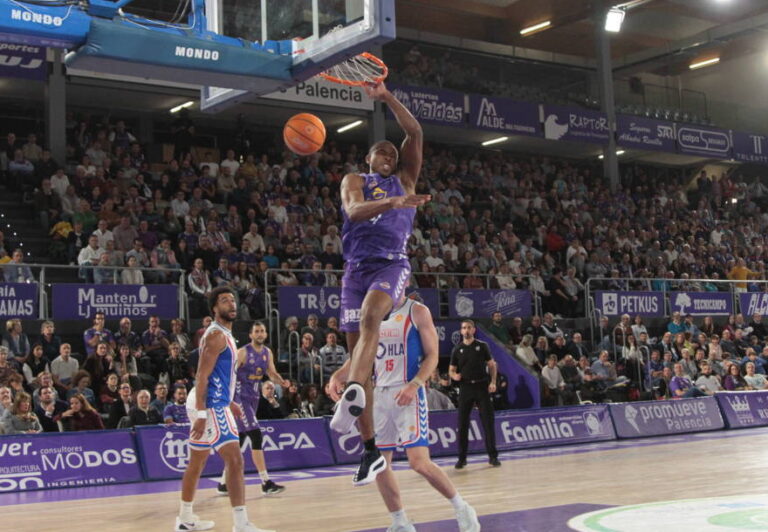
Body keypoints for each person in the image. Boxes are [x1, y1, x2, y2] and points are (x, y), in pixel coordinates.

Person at [329, 81, 430, 488]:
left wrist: (386, 98)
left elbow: (416, 133)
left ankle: (354, 386)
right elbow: (353, 213)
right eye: (380, 151)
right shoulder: (355, 180)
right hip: (355, 268)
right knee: (357, 352)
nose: (388, 154)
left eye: (392, 151)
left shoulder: (406, 180)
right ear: (368, 159)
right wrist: (391, 204)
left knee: (373, 317)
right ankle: (370, 450)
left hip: (390, 264)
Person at [331, 295, 480, 531]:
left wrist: (416, 383)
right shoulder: (373, 311)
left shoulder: (417, 311)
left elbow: (432, 355)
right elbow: (360, 354)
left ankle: (462, 507)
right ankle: (400, 521)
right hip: (378, 395)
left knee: (419, 463)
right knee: (379, 463)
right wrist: (338, 374)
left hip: (408, 391)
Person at [176, 286, 273, 532]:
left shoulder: (226, 335)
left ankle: (185, 519)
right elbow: (201, 376)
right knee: (236, 460)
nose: (231, 304)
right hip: (209, 403)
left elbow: (219, 375)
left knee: (197, 461)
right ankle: (241, 524)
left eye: (233, 299)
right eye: (224, 301)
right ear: (214, 308)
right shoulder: (216, 335)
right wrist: (201, 414)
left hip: (214, 401)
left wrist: (231, 401)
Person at [216, 321, 289, 497]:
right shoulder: (242, 352)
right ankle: (265, 482)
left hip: (254, 397)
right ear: (250, 335)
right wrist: (228, 399)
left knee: (240, 439)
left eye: (262, 331)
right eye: (256, 331)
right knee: (256, 435)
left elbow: (271, 373)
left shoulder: (267, 353)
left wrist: (282, 382)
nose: (260, 334)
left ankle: (223, 482)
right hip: (240, 398)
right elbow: (229, 375)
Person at [449, 319, 500, 469]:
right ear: (461, 331)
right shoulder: (457, 349)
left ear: (474, 330)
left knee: (488, 422)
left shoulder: (482, 346)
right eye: (464, 328)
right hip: (465, 388)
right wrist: (454, 376)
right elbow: (451, 369)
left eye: (469, 328)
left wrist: (493, 382)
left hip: (482, 386)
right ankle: (462, 458)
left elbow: (492, 364)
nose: (466, 330)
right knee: (462, 424)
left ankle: (492, 456)